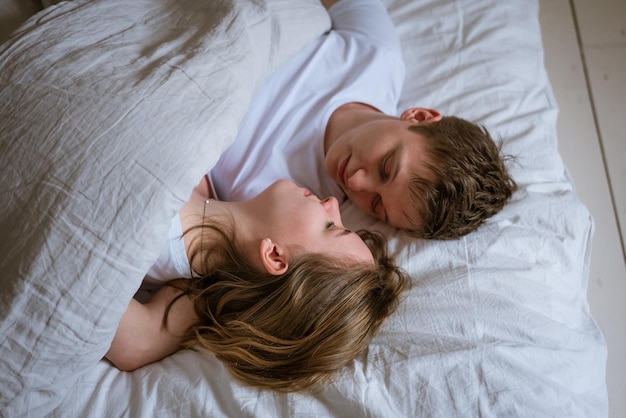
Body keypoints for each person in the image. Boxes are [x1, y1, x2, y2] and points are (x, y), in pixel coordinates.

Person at [210, 0, 517, 240]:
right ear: (419, 117)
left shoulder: (286, 204)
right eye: (385, 168)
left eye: (376, 206)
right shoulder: (376, 58)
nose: (356, 182)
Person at [105, 178, 409, 392]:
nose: (332, 203)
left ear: (275, 256)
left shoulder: (187, 283)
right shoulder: (206, 187)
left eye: (330, 226)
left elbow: (136, 346)